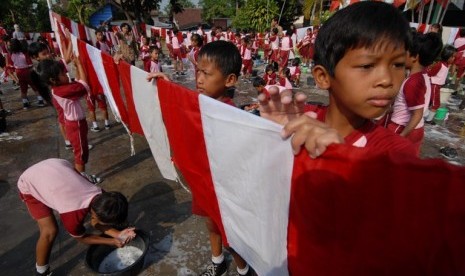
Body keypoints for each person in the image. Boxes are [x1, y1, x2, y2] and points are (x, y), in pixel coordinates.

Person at [259, 1, 417, 158]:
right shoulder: (298, 118)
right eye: (367, 66)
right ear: (323, 77)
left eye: (398, 65)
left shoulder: (395, 153)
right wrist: (272, 136)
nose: (387, 80)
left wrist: (339, 157)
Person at [148, 40, 253, 276]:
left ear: (230, 80)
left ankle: (244, 269)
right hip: (204, 181)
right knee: (210, 223)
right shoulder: (201, 102)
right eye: (198, 71)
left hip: (224, 187)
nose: (199, 79)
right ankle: (217, 262)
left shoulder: (229, 114)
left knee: (229, 235)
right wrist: (169, 87)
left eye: (207, 73)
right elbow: (184, 105)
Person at [17, 158, 136, 276]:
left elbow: (96, 222)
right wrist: (112, 241)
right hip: (30, 181)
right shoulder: (72, 214)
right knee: (49, 231)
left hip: (57, 165)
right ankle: (41, 270)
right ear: (94, 214)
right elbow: (82, 238)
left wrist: (118, 234)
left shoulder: (106, 197)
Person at [37, 57, 100, 183]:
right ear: (53, 80)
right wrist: (80, 64)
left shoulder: (59, 88)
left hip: (75, 124)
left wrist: (77, 69)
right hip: (75, 125)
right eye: (63, 74)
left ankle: (81, 176)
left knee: (81, 151)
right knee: (80, 155)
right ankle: (80, 179)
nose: (66, 75)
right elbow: (84, 86)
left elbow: (77, 83)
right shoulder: (62, 91)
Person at [386, 32, 443, 155]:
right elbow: (408, 105)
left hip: (402, 127)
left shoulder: (413, 82)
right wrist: (388, 110)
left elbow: (417, 114)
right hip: (417, 129)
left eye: (404, 52)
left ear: (414, 57)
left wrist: (401, 136)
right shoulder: (424, 76)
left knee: (391, 161)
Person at [425, 45, 457, 123]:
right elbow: (431, 73)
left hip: (437, 86)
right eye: (452, 57)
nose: (454, 59)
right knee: (436, 104)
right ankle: (428, 120)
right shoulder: (440, 64)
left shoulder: (445, 65)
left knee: (430, 102)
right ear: (447, 55)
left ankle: (426, 116)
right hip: (434, 85)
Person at [9, 38, 44, 109]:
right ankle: (40, 100)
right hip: (27, 70)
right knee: (34, 85)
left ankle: (25, 103)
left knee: (23, 88)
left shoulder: (12, 54)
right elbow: (30, 64)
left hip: (18, 72)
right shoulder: (24, 53)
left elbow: (11, 65)